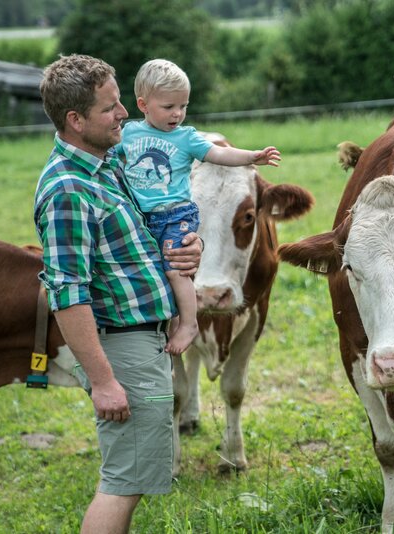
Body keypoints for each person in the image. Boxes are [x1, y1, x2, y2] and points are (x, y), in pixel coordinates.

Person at [33, 54, 201, 534]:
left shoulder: (106, 164)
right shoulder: (68, 189)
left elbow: (153, 227)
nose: (124, 113)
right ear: (75, 120)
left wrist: (192, 246)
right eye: (110, 108)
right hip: (120, 345)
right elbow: (68, 293)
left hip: (142, 339)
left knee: (132, 477)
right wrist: (104, 381)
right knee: (122, 481)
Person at [120, 58, 281, 355]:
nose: (177, 114)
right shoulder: (129, 133)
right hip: (140, 218)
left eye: (183, 106)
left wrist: (252, 157)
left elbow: (219, 156)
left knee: (176, 269)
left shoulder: (186, 137)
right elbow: (110, 155)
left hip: (173, 217)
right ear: (143, 105)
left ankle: (188, 322)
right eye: (169, 107)